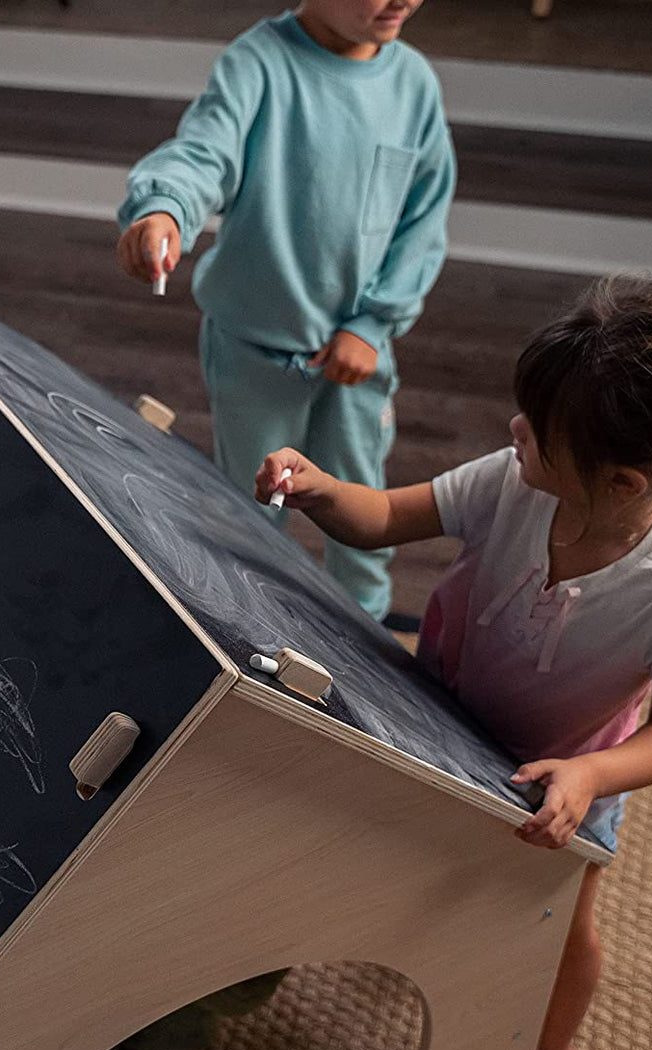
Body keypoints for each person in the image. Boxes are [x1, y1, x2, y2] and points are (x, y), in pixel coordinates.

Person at [253, 276, 652, 1050]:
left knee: (561, 923)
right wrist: (318, 489)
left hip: (566, 771)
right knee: (414, 845)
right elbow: (380, 517)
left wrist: (591, 780)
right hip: (444, 711)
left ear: (623, 481)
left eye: (540, 432)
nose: (514, 429)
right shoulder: (512, 481)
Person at [116, 0, 454, 620]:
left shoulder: (413, 85)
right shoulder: (257, 64)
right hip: (253, 350)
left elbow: (423, 220)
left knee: (360, 502)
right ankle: (255, 635)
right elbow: (203, 154)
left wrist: (372, 323)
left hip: (358, 359)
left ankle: (367, 633)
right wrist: (163, 207)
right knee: (252, 512)